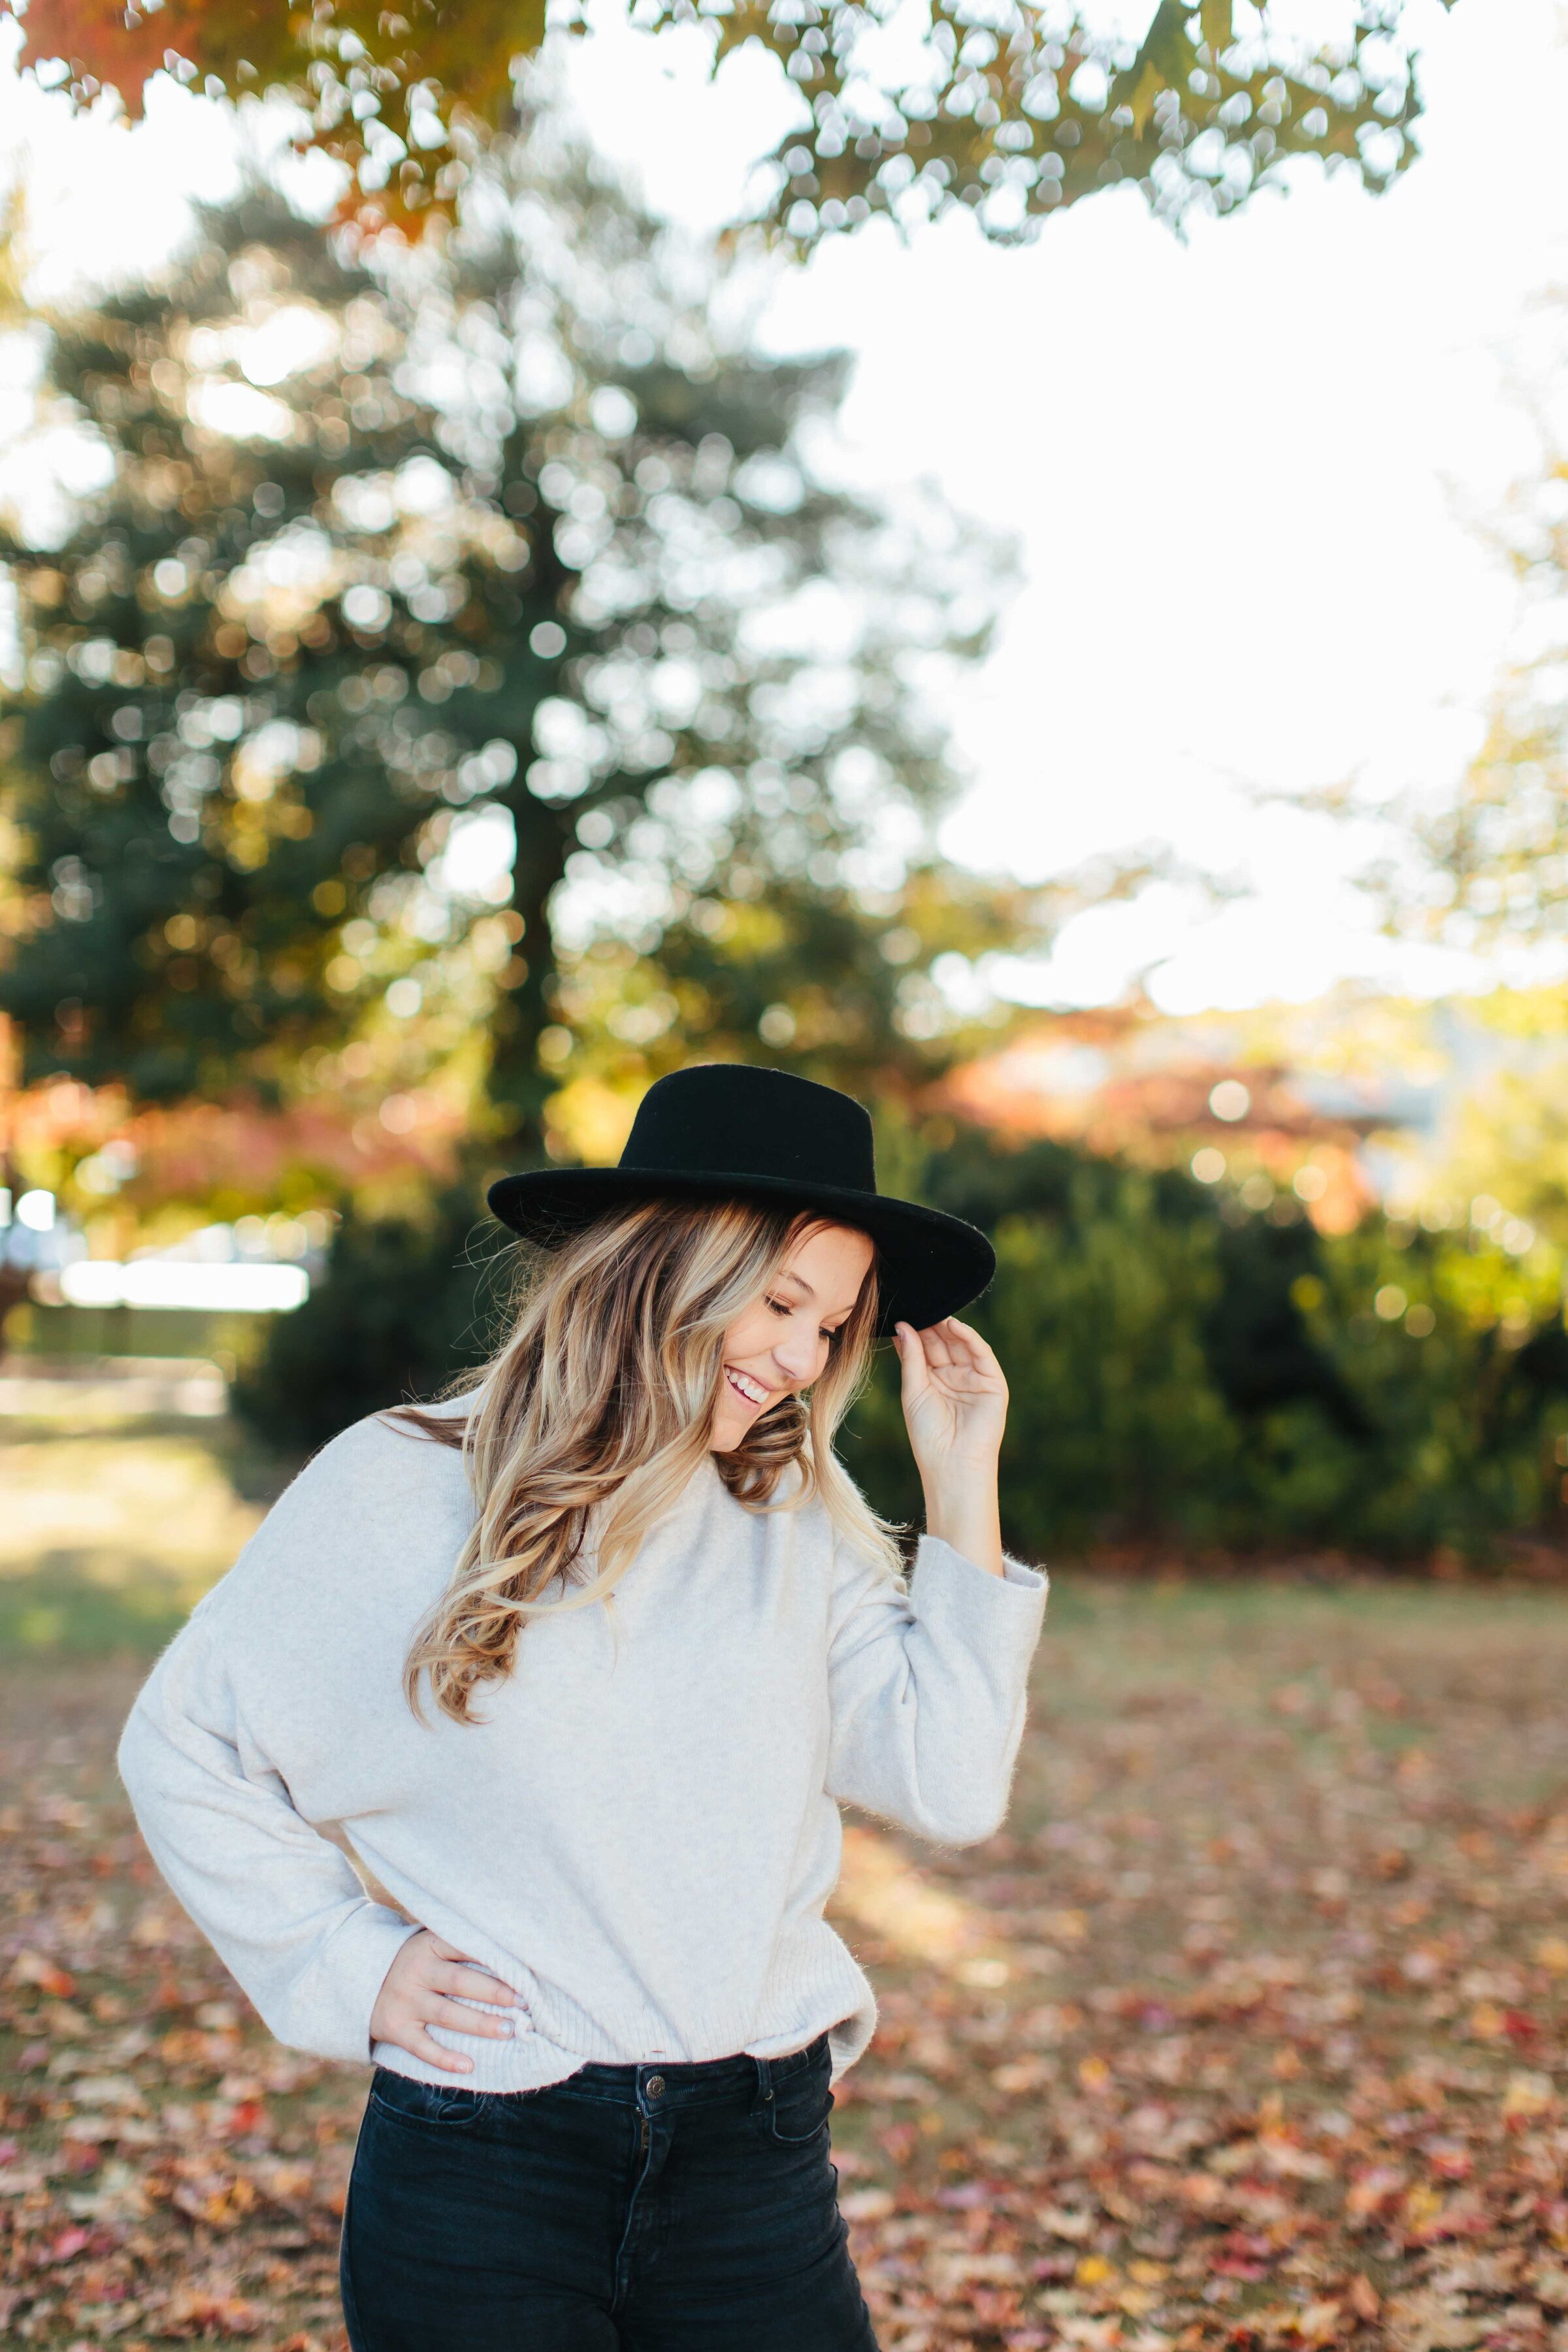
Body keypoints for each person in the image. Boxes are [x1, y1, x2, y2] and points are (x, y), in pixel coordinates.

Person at [117, 1063, 1049, 2352]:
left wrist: (962, 1485)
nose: (800, 1356)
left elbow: (948, 1783)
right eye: (780, 1302)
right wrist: (347, 1963)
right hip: (485, 2169)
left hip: (755, 2160)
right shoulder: (401, 1487)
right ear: (663, 1266)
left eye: (831, 1327)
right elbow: (185, 1744)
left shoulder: (798, 1523)